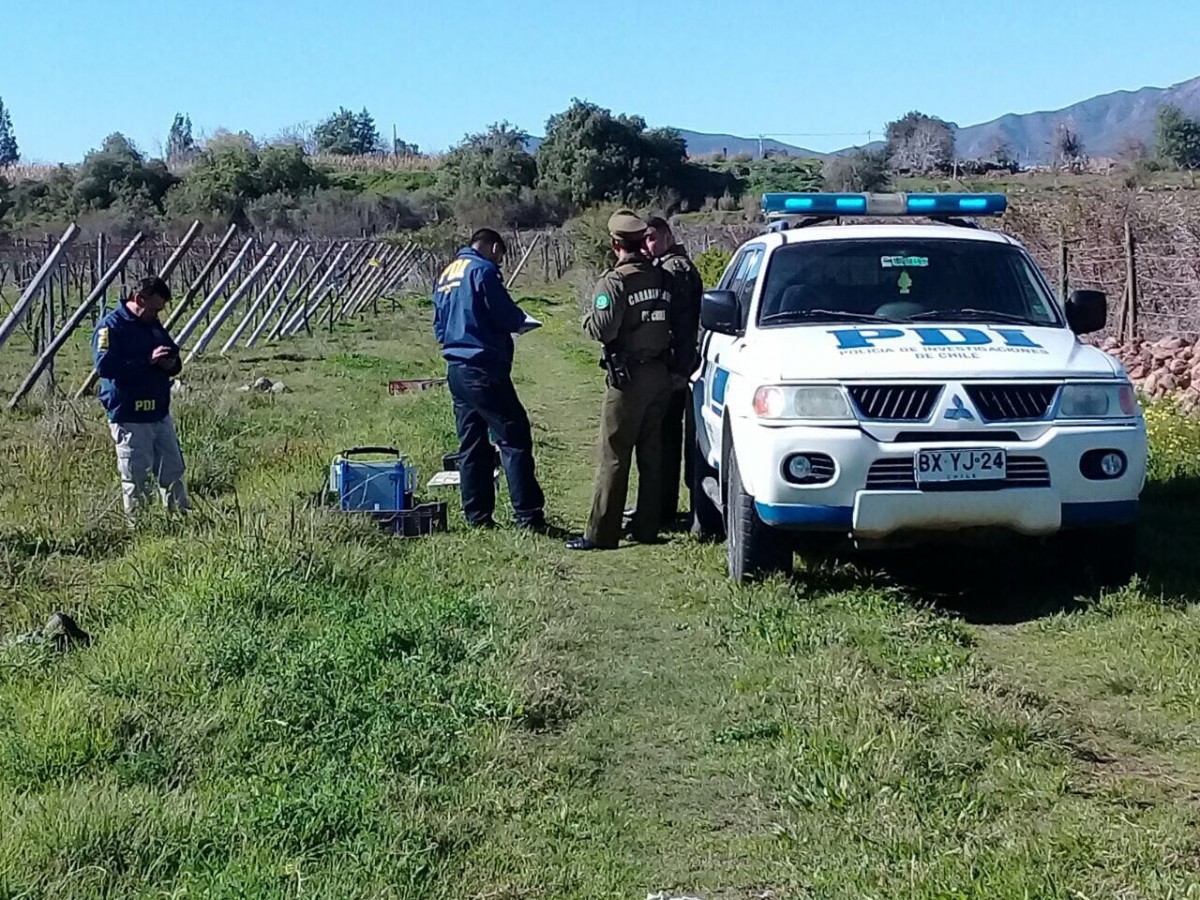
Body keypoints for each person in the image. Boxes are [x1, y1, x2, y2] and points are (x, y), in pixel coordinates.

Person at [567, 210, 674, 551]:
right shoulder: (662, 277)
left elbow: (603, 328)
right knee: (652, 453)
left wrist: (588, 318)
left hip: (628, 378)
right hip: (660, 372)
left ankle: (601, 533)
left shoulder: (615, 282)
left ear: (615, 244)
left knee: (614, 454)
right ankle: (647, 526)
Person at [432, 228, 547, 531]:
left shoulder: (447, 273)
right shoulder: (483, 271)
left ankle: (477, 516)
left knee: (471, 444)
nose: (500, 262)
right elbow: (505, 314)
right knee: (514, 436)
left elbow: (439, 326)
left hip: (456, 368)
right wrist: (520, 322)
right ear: (494, 247)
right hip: (483, 367)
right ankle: (529, 516)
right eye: (500, 256)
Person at [93, 275, 190, 522]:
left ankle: (180, 516)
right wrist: (146, 362)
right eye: (154, 308)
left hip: (159, 412)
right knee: (137, 475)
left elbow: (172, 355)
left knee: (173, 469)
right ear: (138, 299)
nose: (158, 314)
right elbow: (105, 367)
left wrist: (170, 363)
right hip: (130, 414)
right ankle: (142, 524)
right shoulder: (111, 327)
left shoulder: (153, 324)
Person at [645, 215, 704, 528]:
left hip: (675, 366)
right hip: (672, 364)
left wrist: (678, 369)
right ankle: (661, 504)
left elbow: (681, 325)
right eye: (644, 240)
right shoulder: (666, 265)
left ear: (667, 235)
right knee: (663, 437)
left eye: (653, 237)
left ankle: (664, 508)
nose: (648, 244)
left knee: (667, 439)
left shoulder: (674, 269)